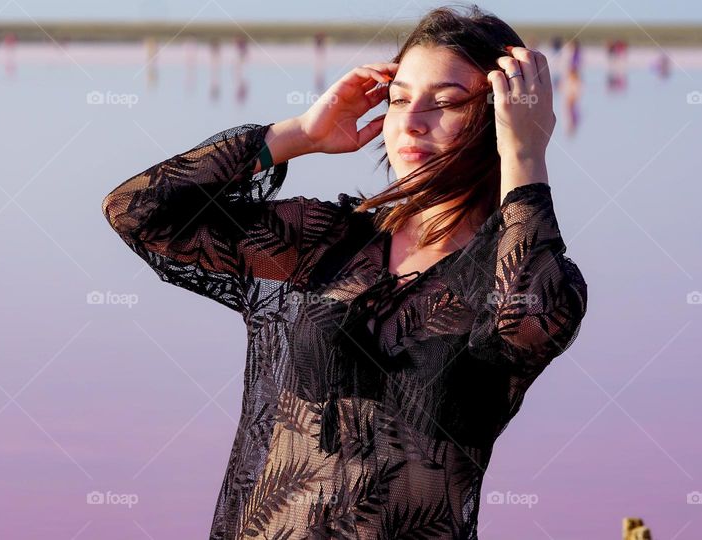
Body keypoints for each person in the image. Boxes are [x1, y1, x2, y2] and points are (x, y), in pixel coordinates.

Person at [102, 5, 587, 538]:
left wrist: (524, 156)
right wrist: (301, 134)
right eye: (400, 98)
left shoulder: (512, 274)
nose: (413, 119)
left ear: (501, 116)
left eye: (446, 102)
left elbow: (528, 322)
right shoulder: (327, 241)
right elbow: (138, 211)